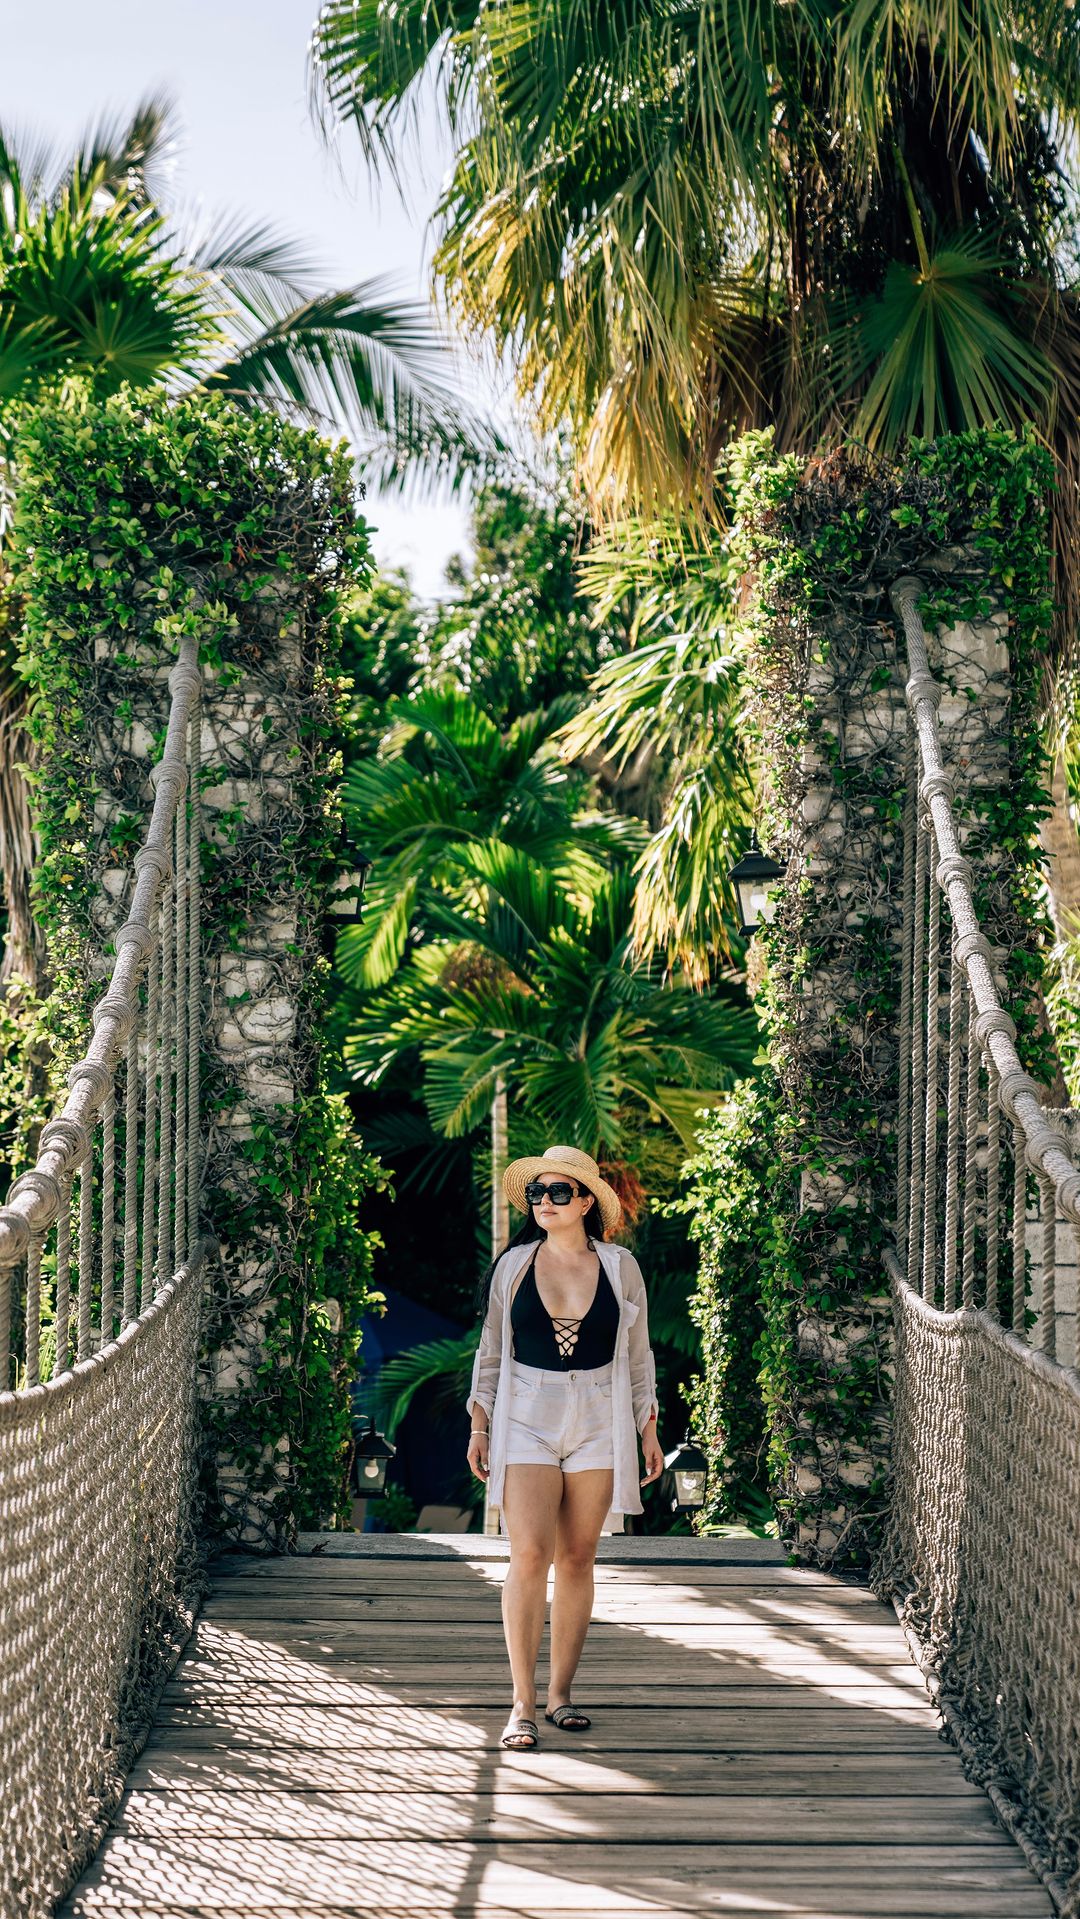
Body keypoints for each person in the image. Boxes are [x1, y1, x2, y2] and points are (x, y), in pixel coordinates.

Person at [466, 1145, 664, 1750]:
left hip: (599, 1417)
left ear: (585, 1202)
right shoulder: (514, 1267)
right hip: (526, 1412)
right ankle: (521, 1703)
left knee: (578, 1557)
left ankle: (560, 1695)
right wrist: (479, 1423)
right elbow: (492, 1352)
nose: (545, 1202)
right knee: (529, 1553)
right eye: (538, 1193)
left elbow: (637, 1356)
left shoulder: (620, 1266)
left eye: (559, 1192)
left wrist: (648, 1427)